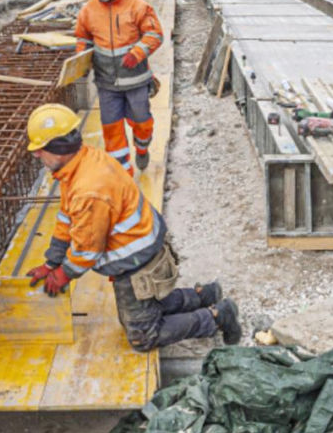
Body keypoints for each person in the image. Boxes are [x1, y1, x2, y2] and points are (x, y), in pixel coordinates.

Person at [24, 103, 241, 350]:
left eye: (40, 150)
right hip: (141, 249)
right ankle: (205, 295)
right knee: (137, 314)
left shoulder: (88, 189)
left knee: (142, 336)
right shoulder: (79, 164)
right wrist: (51, 262)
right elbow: (67, 219)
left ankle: (217, 317)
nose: (38, 156)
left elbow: (87, 250)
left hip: (138, 262)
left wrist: (63, 274)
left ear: (58, 149)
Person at [74, 0, 163, 176]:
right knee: (111, 130)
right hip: (107, 84)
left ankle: (142, 148)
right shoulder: (88, 10)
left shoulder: (138, 7)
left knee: (142, 123)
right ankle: (123, 175)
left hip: (135, 81)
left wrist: (137, 52)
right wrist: (81, 58)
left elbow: (154, 34)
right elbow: (82, 37)